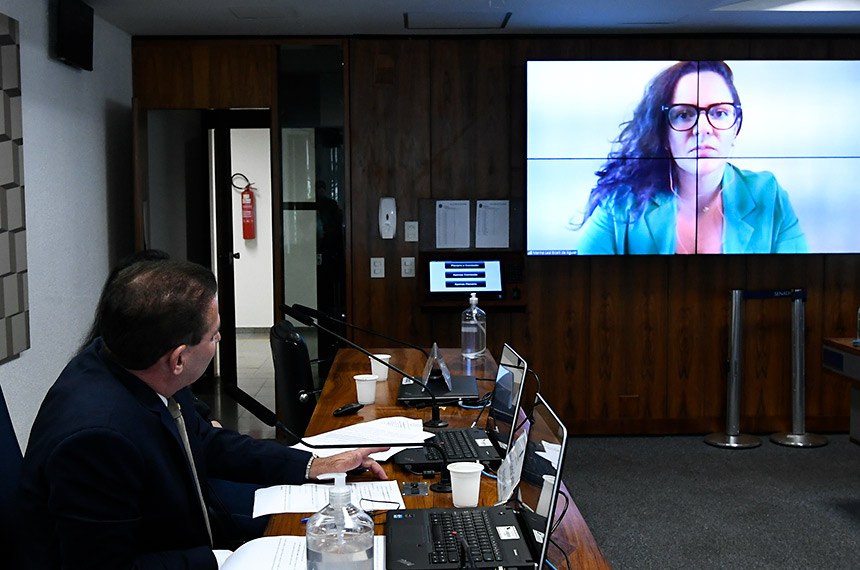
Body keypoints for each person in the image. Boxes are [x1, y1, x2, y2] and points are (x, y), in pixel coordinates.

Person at [14, 259, 387, 569]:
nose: (220, 340)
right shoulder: (98, 438)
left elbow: (206, 441)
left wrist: (313, 465)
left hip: (182, 532)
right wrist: (219, 559)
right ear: (178, 359)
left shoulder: (133, 360)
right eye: (214, 334)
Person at [573, 60, 808, 254]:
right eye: (684, 114)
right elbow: (583, 286)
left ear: (736, 126)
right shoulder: (620, 204)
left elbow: (799, 284)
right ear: (663, 133)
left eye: (719, 113)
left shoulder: (768, 194)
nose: (703, 128)